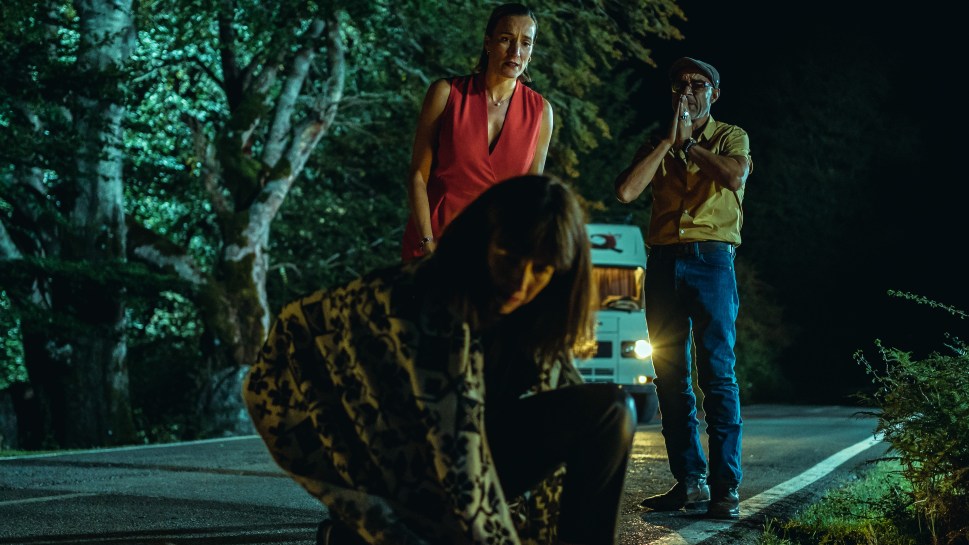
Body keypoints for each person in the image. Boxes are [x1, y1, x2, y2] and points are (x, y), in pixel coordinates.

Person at [244, 174, 636, 544]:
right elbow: (296, 334)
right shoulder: (419, 298)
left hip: (474, 453)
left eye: (542, 268)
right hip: (401, 467)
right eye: (509, 255)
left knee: (612, 411)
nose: (522, 280)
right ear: (484, 238)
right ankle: (352, 533)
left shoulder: (535, 318)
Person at [613, 57, 752, 520]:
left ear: (714, 93)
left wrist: (690, 145)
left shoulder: (731, 137)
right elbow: (626, 192)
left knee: (717, 374)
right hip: (663, 263)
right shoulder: (658, 142)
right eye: (679, 85)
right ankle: (690, 482)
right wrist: (668, 144)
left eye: (698, 84)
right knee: (670, 376)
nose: (687, 91)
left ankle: (725, 488)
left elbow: (734, 177)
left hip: (712, 262)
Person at [400, 2, 554, 261]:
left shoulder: (541, 112)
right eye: (506, 39)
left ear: (531, 51)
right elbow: (418, 176)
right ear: (488, 42)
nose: (515, 51)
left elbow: (530, 198)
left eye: (525, 43)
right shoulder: (446, 94)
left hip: (493, 256)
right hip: (431, 246)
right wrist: (427, 243)